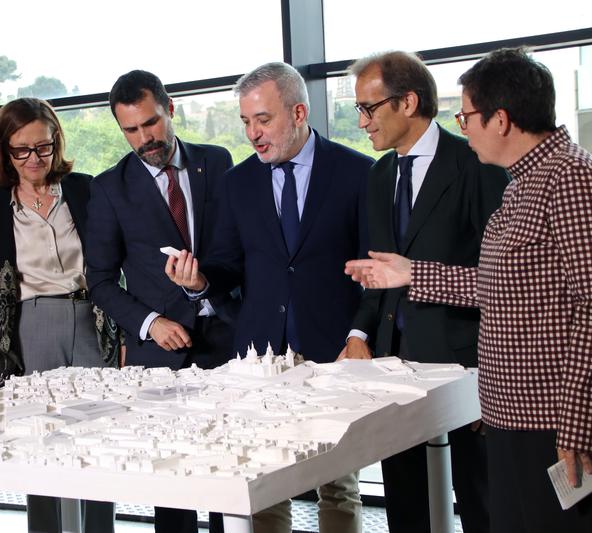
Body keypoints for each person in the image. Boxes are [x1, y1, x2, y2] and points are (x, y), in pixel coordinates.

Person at [345, 47, 592, 533]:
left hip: (548, 420)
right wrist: (411, 274)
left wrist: (579, 422)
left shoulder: (569, 177)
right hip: (507, 412)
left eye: (468, 116)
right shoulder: (524, 183)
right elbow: (496, 283)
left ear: (501, 119)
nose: (463, 126)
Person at [166, 61, 372, 533]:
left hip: (334, 354)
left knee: (338, 484)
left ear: (298, 112)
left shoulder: (357, 173)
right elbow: (225, 264)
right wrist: (198, 282)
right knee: (261, 480)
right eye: (245, 122)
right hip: (259, 357)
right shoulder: (238, 183)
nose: (252, 134)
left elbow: (371, 272)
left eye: (263, 120)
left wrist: (359, 333)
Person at [341, 51, 510, 533]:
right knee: (405, 507)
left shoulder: (477, 165)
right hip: (393, 369)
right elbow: (380, 274)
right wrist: (359, 333)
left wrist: (487, 377)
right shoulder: (378, 176)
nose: (362, 123)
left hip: (466, 370)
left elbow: (500, 281)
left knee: (483, 505)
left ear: (408, 102)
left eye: (368, 109)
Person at [0, 98, 117, 533]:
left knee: (99, 440)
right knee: (41, 442)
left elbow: (111, 268)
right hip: (31, 326)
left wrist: (122, 338)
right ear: (5, 152)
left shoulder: (85, 189)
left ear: (55, 142)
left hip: (90, 323)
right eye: (21, 150)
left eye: (42, 147)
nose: (33, 159)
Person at [85, 70, 240, 533]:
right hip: (158, 353)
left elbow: (234, 252)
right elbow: (100, 281)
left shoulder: (218, 162)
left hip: (226, 341)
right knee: (172, 484)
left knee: (228, 471)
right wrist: (149, 322)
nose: (143, 138)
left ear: (170, 110)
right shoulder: (109, 187)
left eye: (150, 123)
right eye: (130, 130)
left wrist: (204, 285)